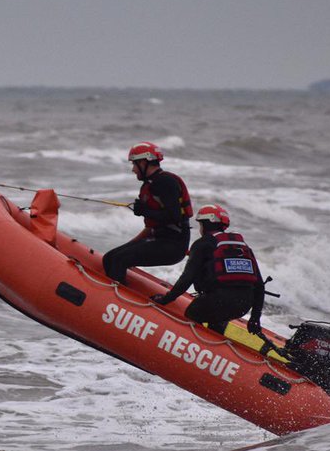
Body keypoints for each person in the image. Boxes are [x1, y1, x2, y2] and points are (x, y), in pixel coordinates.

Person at [151, 204, 265, 335]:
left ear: (205, 224)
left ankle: (193, 343)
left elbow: (187, 278)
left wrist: (166, 300)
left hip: (219, 300)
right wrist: (255, 318)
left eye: (200, 225)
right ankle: (215, 340)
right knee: (218, 316)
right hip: (244, 304)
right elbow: (259, 285)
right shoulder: (243, 246)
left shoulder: (203, 243)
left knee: (192, 313)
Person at [102, 142, 192, 282]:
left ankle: (113, 293)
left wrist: (145, 211)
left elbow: (175, 217)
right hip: (158, 239)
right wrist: (128, 245)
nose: (133, 170)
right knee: (110, 257)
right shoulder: (148, 185)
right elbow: (150, 228)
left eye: (134, 164)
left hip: (174, 245)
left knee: (120, 259)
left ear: (144, 162)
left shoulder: (166, 182)